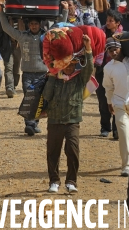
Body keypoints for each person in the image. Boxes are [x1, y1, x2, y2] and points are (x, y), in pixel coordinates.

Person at [44, 34, 94, 194]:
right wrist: (52, 76)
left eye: (73, 65)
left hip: (72, 121)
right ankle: (54, 181)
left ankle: (71, 181)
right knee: (53, 152)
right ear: (61, 64)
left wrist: (88, 49)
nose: (70, 68)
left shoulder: (80, 79)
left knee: (73, 150)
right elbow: (46, 96)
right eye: (67, 64)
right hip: (55, 121)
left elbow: (90, 68)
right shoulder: (53, 78)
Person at [0, 5, 60, 135]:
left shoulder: (46, 36)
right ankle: (30, 124)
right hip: (27, 74)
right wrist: (1, 11)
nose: (33, 26)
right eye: (31, 24)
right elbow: (6, 28)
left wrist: (64, 10)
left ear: (40, 24)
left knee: (41, 100)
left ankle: (34, 123)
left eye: (36, 24)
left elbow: (58, 27)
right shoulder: (22, 36)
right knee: (29, 97)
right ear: (28, 25)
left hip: (43, 74)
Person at [102, 38, 129, 177]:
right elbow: (108, 87)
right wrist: (109, 102)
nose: (114, 52)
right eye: (110, 50)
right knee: (124, 133)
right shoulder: (108, 68)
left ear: (121, 48)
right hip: (120, 104)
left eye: (116, 49)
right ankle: (126, 165)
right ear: (107, 52)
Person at [95, 10, 123, 139]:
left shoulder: (124, 36)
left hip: (118, 70)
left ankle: (117, 129)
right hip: (102, 69)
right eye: (107, 20)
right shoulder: (100, 33)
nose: (108, 23)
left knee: (117, 98)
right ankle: (105, 127)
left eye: (111, 21)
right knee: (103, 99)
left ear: (118, 23)